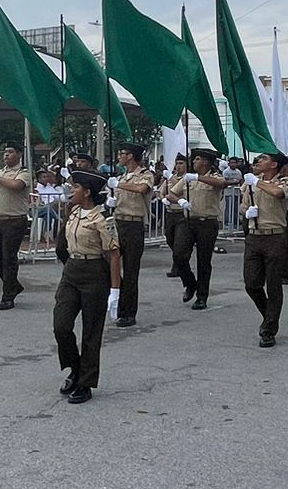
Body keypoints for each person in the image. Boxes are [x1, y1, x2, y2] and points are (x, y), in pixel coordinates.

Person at [52, 169, 122, 404]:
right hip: (72, 270)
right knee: (61, 325)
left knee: (91, 332)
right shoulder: (73, 211)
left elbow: (114, 254)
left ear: (87, 192)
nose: (72, 190)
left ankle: (86, 382)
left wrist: (115, 290)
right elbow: (63, 243)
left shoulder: (103, 219)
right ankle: (75, 367)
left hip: (94, 272)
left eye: (76, 187)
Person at [239, 151, 288, 344]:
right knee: (251, 284)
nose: (259, 161)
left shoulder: (285, 182)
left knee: (273, 284)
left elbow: (278, 193)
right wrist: (247, 212)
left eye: (264, 159)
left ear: (274, 165)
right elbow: (243, 205)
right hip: (254, 236)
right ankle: (270, 315)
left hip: (274, 236)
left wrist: (256, 182)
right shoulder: (252, 182)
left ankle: (269, 329)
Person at [110, 143, 154, 327]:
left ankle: (128, 312)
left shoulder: (145, 174)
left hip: (134, 224)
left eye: (122, 153)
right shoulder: (122, 176)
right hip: (118, 222)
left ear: (130, 156)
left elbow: (142, 189)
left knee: (130, 269)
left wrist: (119, 185)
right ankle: (119, 301)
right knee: (109, 264)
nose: (119, 156)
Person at [174, 148, 224, 309]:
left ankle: (202, 296)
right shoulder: (188, 178)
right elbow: (172, 193)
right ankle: (190, 283)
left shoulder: (214, 177)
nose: (194, 162)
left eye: (197, 159)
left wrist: (198, 178)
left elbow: (221, 184)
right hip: (189, 221)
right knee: (179, 255)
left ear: (206, 162)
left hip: (207, 222)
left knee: (203, 261)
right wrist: (180, 201)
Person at [0, 146, 31, 309]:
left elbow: (17, 185)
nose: (6, 155)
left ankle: (8, 296)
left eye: (11, 152)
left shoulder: (23, 172)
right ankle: (13, 285)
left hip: (15, 220)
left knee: (8, 258)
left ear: (19, 154)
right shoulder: (0, 172)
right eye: (5, 152)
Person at [161, 155, 188, 276]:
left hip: (182, 213)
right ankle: (180, 262)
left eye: (181, 163)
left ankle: (177, 267)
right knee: (169, 239)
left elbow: (180, 189)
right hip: (170, 213)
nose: (178, 166)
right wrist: (163, 199)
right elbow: (161, 191)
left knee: (179, 243)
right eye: (177, 163)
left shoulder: (188, 178)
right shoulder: (170, 178)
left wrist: (171, 178)